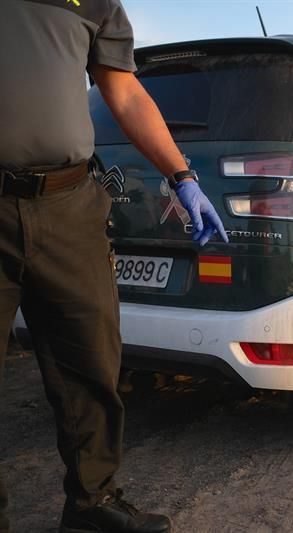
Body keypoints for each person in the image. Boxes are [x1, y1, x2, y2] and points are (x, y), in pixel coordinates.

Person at [0, 1, 227, 532]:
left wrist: (181, 175)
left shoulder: (97, 3)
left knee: (91, 363)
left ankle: (92, 504)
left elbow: (121, 89)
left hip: (68, 202)